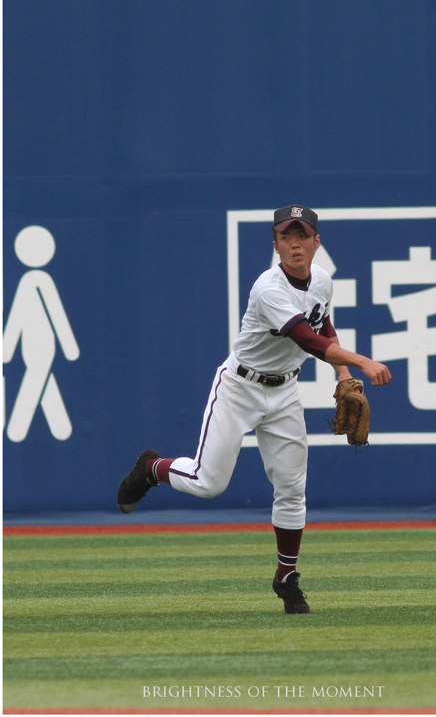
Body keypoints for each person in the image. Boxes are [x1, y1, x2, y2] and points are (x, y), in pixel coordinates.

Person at [117, 205, 391, 614]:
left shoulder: (322, 281)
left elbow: (322, 325)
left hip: (284, 393)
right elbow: (307, 339)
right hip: (239, 387)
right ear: (276, 245)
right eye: (286, 237)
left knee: (292, 490)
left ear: (317, 241)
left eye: (302, 235)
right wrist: (364, 362)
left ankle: (286, 578)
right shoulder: (269, 288)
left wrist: (343, 373)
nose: (295, 244)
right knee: (209, 482)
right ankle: (150, 469)